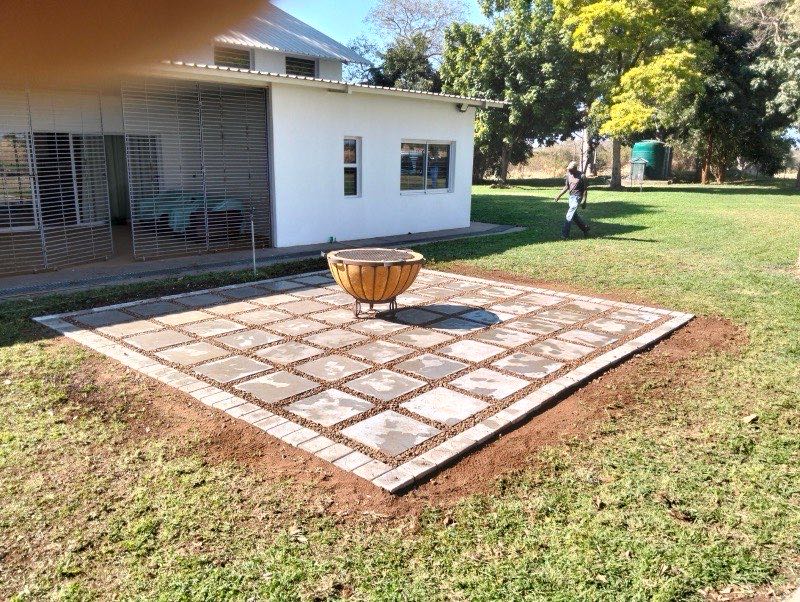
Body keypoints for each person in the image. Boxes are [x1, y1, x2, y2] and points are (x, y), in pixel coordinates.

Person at [554, 161, 591, 239]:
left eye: (570, 169)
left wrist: (584, 200)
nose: (569, 170)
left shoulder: (582, 176)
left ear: (575, 168)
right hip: (571, 197)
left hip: (578, 197)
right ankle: (585, 228)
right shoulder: (568, 175)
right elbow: (566, 187)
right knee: (574, 216)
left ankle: (565, 235)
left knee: (569, 215)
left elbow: (585, 189)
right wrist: (559, 196)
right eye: (568, 169)